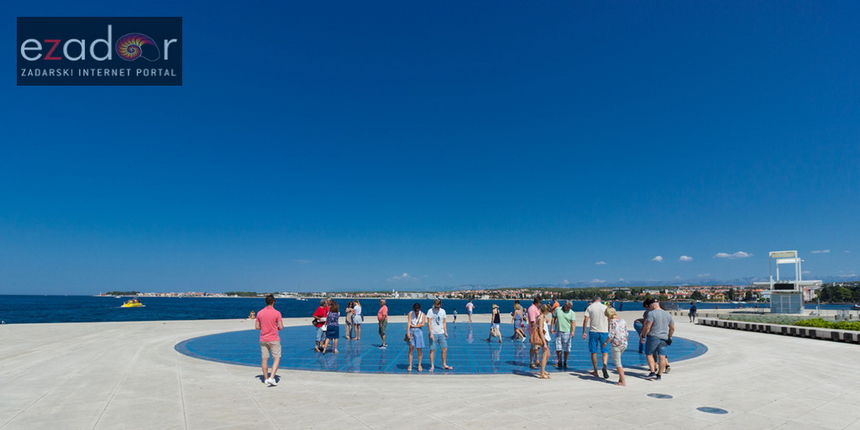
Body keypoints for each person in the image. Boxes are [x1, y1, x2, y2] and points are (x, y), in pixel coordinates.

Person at [639, 298, 675, 380]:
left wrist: (643, 336)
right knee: (662, 357)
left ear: (653, 304)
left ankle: (652, 372)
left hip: (653, 337)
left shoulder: (651, 314)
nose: (649, 307)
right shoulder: (667, 314)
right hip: (664, 338)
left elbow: (647, 327)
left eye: (649, 306)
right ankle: (659, 375)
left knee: (649, 354)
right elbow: (672, 328)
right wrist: (670, 337)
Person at [255, 294, 283, 386]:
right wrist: (275, 327)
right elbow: (281, 327)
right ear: (273, 302)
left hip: (263, 338)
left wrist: (265, 327)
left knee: (264, 359)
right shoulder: (277, 313)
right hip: (274, 338)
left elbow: (257, 327)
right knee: (277, 358)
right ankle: (272, 378)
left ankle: (266, 378)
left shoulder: (259, 313)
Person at [582, 296, 610, 378]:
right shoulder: (605, 307)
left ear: (593, 300)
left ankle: (595, 370)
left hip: (593, 332)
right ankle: (604, 365)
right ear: (600, 300)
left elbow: (586, 320)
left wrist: (584, 331)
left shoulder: (590, 307)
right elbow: (609, 319)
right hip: (604, 331)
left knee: (593, 351)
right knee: (605, 351)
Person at [603, 307, 628, 386]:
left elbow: (611, 335)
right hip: (624, 343)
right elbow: (626, 332)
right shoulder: (623, 320)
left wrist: (606, 343)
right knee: (619, 360)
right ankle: (620, 379)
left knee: (618, 363)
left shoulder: (612, 322)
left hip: (616, 344)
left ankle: (623, 381)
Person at [427, 299, 453, 371]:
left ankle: (444, 364)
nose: (437, 306)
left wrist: (445, 332)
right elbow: (429, 323)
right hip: (433, 333)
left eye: (438, 305)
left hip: (441, 333)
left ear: (440, 305)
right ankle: (432, 366)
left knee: (444, 349)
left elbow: (444, 322)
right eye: (436, 305)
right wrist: (431, 333)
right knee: (432, 350)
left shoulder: (443, 311)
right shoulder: (430, 311)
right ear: (434, 304)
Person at [553, 301, 576, 369]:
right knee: (558, 347)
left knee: (567, 348)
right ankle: (559, 361)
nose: (568, 308)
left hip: (567, 332)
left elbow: (573, 323)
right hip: (558, 331)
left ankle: (565, 361)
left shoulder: (572, 313)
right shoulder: (558, 310)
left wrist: (573, 331)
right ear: (565, 305)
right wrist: (552, 327)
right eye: (568, 307)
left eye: (570, 307)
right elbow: (554, 318)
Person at [406, 303, 426, 372]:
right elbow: (408, 323)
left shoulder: (422, 314)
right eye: (415, 310)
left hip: (419, 332)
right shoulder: (410, 313)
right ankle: (410, 365)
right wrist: (408, 332)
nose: (416, 312)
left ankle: (419, 365)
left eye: (417, 310)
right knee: (411, 349)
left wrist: (414, 326)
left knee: (419, 349)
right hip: (411, 332)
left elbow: (423, 324)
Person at [536, 304, 551, 379]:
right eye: (548, 310)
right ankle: (542, 373)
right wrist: (544, 342)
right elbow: (541, 331)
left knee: (548, 355)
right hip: (544, 338)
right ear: (545, 310)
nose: (548, 312)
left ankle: (542, 370)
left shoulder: (542, 317)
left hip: (546, 338)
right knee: (545, 355)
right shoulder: (541, 317)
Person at [527, 296, 542, 368]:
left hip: (537, 329)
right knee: (534, 347)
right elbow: (533, 321)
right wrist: (535, 331)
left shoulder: (536, 309)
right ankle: (532, 362)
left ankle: (537, 360)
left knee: (537, 346)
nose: (541, 304)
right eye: (540, 303)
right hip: (534, 330)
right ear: (537, 302)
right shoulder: (532, 309)